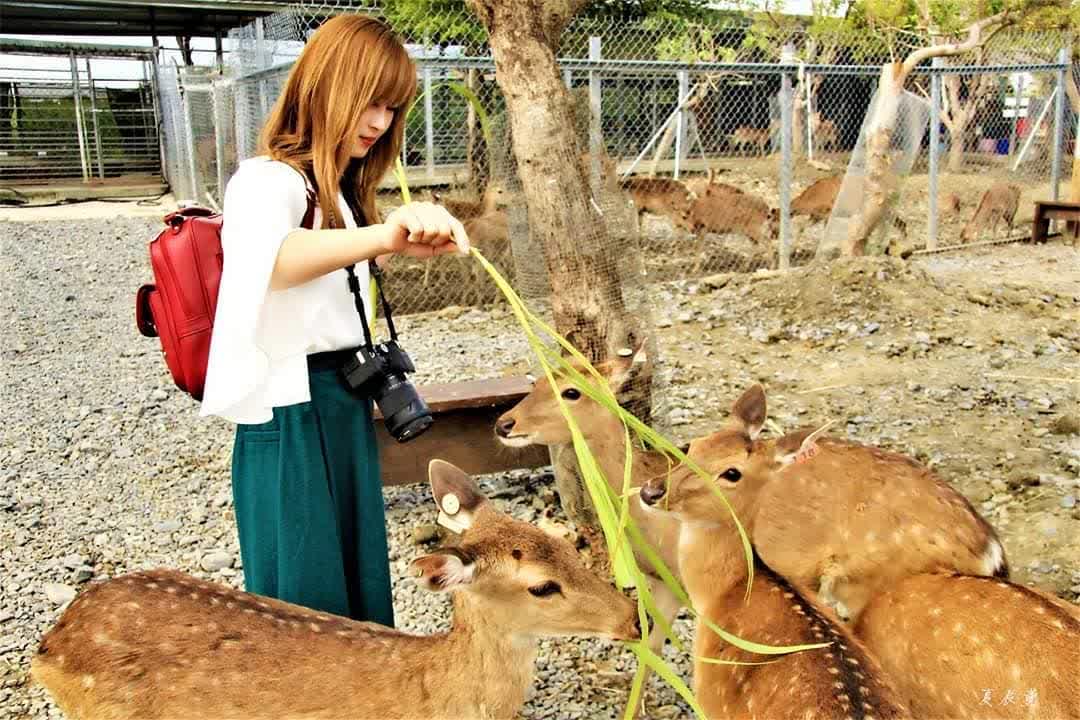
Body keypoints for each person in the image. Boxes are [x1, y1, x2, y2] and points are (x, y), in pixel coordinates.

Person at [199, 14, 469, 626]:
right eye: (370, 102)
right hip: (292, 405)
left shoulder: (335, 190)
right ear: (325, 87)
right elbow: (273, 262)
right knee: (304, 601)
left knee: (352, 585)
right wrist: (384, 235)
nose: (380, 122)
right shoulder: (267, 177)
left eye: (392, 108)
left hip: (339, 398)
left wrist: (391, 238)